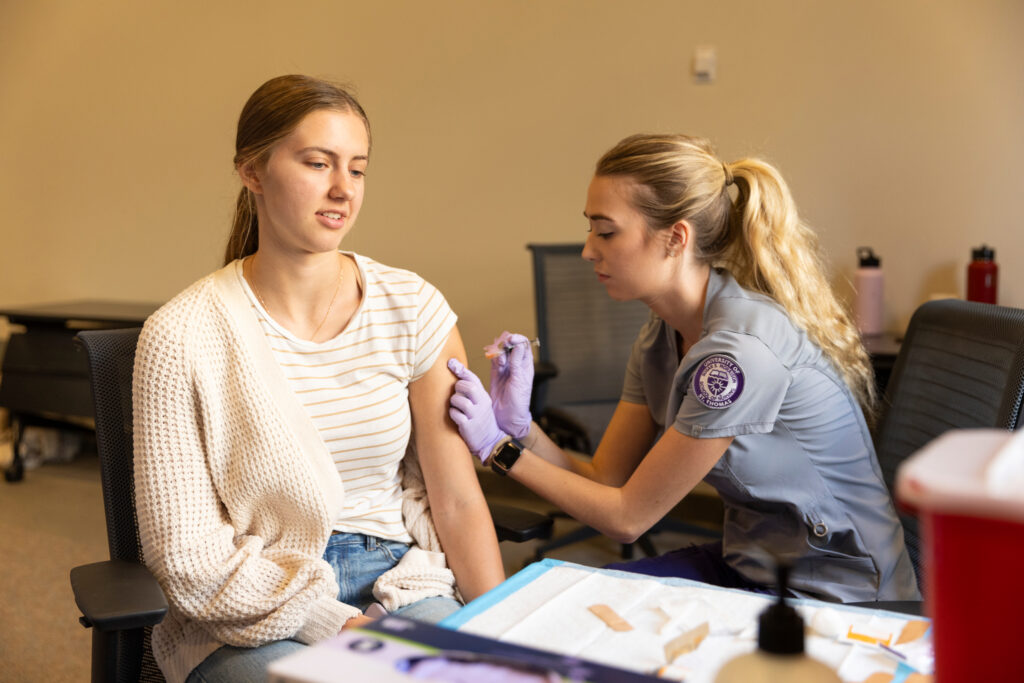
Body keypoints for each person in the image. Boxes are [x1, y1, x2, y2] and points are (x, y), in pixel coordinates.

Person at [133, 74, 505, 683]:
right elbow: (187, 559)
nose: (342, 189)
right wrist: (331, 623)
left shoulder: (411, 307)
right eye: (317, 163)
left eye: (357, 169)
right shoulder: (181, 335)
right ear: (252, 170)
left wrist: (502, 632)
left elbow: (458, 500)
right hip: (250, 607)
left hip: (402, 581)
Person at [447, 133, 920, 603]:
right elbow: (607, 480)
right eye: (590, 229)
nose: (589, 250)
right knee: (586, 603)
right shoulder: (659, 337)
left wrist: (498, 451)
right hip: (754, 563)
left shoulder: (737, 355)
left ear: (676, 238)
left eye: (606, 231)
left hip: (837, 588)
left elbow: (627, 518)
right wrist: (524, 431)